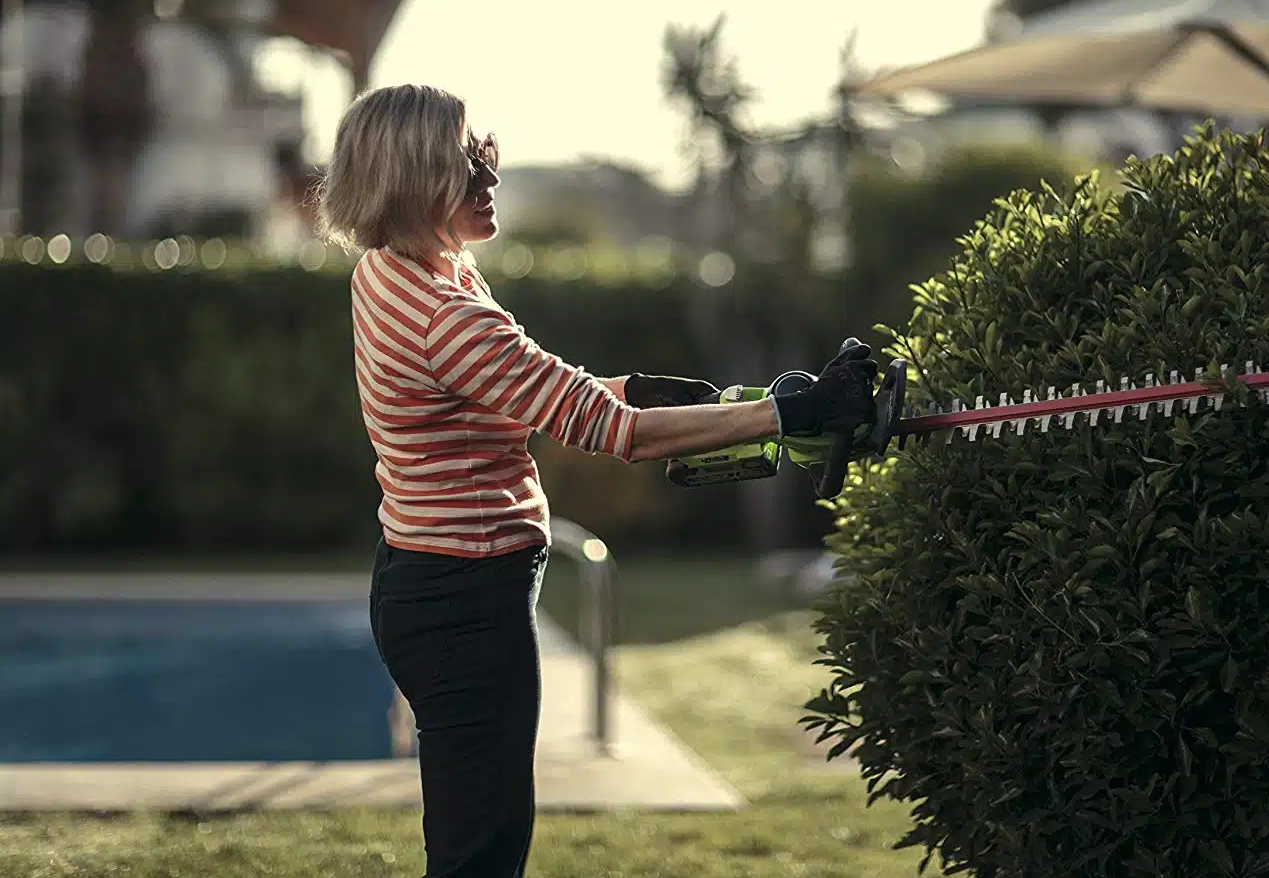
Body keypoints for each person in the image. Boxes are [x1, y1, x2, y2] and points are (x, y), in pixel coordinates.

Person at [313, 83, 877, 878]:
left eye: (487, 149)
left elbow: (539, 395)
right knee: (484, 851)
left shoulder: (398, 275)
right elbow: (620, 436)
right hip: (464, 602)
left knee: (478, 835)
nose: (491, 169)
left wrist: (638, 387)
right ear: (416, 178)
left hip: (426, 580)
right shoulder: (448, 314)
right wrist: (797, 411)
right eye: (470, 156)